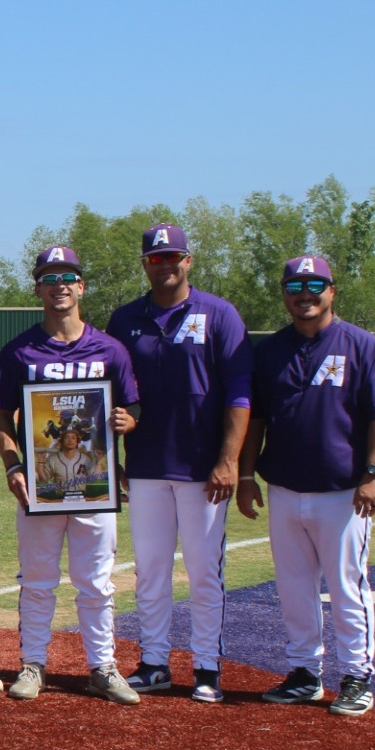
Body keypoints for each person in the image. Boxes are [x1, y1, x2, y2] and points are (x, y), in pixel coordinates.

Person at [236, 255, 375, 717]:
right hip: (285, 488)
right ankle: (305, 673)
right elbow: (258, 421)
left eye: (314, 284)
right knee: (293, 587)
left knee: (348, 586)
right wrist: (247, 476)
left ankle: (356, 676)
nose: (304, 293)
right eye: (295, 285)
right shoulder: (270, 351)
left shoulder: (362, 345)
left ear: (332, 290)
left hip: (343, 492)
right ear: (285, 293)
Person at [109, 223, 253, 703]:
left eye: (172, 257)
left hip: (201, 469)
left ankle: (207, 666)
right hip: (147, 464)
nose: (164, 264)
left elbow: (238, 394)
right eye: (155, 258)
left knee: (204, 570)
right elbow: (109, 396)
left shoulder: (219, 314)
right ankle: (153, 662)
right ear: (145, 264)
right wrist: (111, 459)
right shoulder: (125, 319)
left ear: (188, 260)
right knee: (149, 570)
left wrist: (228, 460)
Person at [0, 244, 142, 705]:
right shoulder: (20, 351)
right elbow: (2, 417)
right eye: (49, 277)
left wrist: (127, 422)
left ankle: (102, 666)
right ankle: (33, 664)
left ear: (81, 286)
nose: (59, 285)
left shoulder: (111, 349)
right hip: (42, 484)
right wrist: (14, 465)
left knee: (96, 581)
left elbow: (132, 406)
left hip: (95, 485)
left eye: (67, 277)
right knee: (37, 580)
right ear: (37, 288)